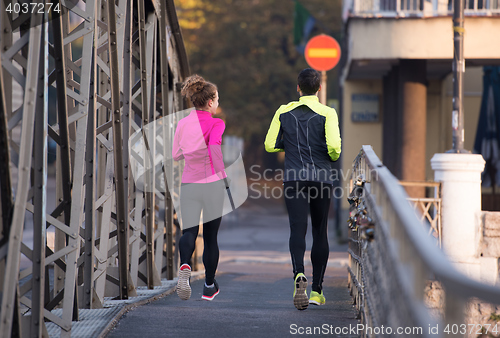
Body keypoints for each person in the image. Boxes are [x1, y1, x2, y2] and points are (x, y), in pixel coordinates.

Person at [264, 68, 341, 310]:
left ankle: (299, 274)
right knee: (320, 232)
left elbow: (269, 145)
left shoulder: (283, 111)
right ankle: (317, 291)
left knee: (297, 229)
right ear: (318, 89)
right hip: (321, 178)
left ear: (298, 88)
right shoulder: (328, 113)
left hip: (294, 178)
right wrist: (326, 154)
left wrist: (290, 148)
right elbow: (335, 149)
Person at [173, 74, 226, 301]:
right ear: (211, 101)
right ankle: (208, 286)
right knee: (211, 237)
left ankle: (185, 265)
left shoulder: (183, 123)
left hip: (189, 184)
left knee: (189, 232)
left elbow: (176, 155)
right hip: (212, 185)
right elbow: (214, 147)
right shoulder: (216, 123)